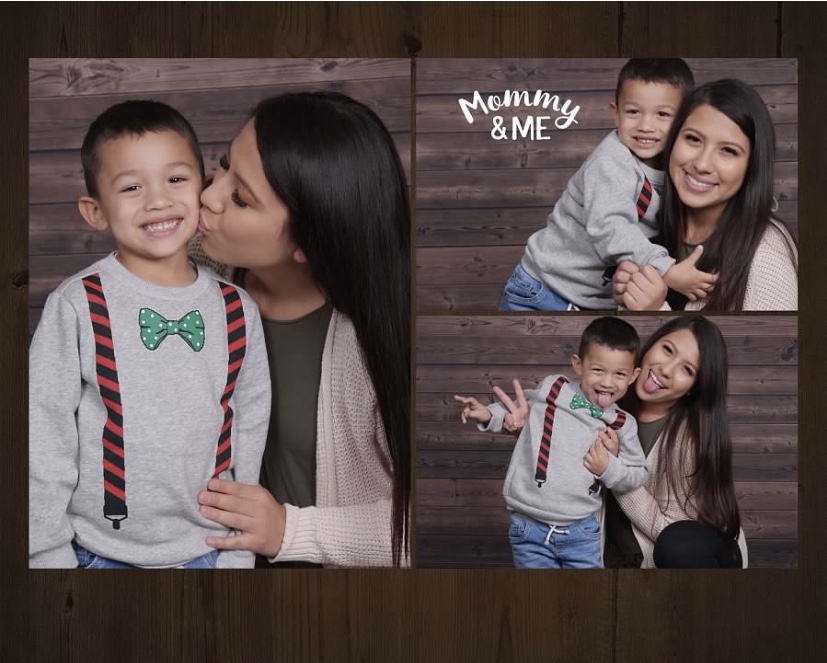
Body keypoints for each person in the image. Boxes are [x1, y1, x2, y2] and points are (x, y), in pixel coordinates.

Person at [29, 100, 271, 569]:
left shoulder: (237, 309)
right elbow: (43, 433)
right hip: (96, 552)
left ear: (202, 188)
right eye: (132, 187)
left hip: (210, 550)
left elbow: (250, 422)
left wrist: (239, 545)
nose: (157, 200)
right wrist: (47, 551)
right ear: (95, 211)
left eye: (176, 179)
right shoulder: (78, 304)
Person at [191, 91, 411, 567]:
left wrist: (290, 530)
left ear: (308, 243)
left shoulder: (382, 344)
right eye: (223, 165)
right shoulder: (187, 271)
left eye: (239, 197)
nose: (206, 194)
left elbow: (417, 528)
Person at [500, 59, 716, 312]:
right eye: (633, 112)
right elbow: (611, 228)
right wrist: (666, 270)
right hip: (545, 289)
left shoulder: (677, 163)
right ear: (615, 113)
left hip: (590, 297)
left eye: (662, 114)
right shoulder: (610, 163)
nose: (646, 126)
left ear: (682, 120)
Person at [454, 317, 647, 569]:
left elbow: (637, 474)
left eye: (619, 374)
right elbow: (519, 413)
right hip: (527, 525)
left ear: (633, 376)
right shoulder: (555, 388)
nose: (607, 382)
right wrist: (490, 415)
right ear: (578, 365)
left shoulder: (623, 423)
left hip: (580, 530)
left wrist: (608, 468)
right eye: (598, 370)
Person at [613, 79, 798, 311]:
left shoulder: (767, 259)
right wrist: (628, 293)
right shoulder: (642, 216)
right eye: (693, 139)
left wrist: (653, 311)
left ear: (751, 166)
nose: (702, 164)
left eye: (728, 151)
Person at [598, 316, 746, 568]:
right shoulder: (609, 398)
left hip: (684, 556)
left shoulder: (689, 441)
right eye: (667, 350)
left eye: (686, 369)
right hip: (605, 546)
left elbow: (672, 535)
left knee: (676, 545)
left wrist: (614, 470)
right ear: (653, 343)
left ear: (693, 387)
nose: (666, 369)